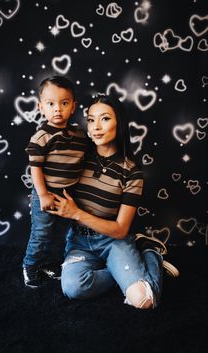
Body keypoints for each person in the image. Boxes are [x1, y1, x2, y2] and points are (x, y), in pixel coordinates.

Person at [49, 94, 179, 309]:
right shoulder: (77, 158)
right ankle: (123, 271)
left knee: (143, 301)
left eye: (105, 119)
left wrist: (76, 213)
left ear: (119, 123)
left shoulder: (131, 172)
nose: (96, 127)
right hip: (80, 242)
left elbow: (119, 230)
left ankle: (150, 254)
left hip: (113, 241)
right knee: (73, 288)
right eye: (91, 120)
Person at [22, 76, 88, 288]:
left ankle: (50, 263)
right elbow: (36, 168)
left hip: (68, 195)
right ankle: (30, 265)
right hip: (46, 193)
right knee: (41, 233)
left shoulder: (79, 135)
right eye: (51, 104)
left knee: (60, 233)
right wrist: (42, 194)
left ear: (73, 106)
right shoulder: (41, 137)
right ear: (41, 107)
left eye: (64, 103)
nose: (57, 109)